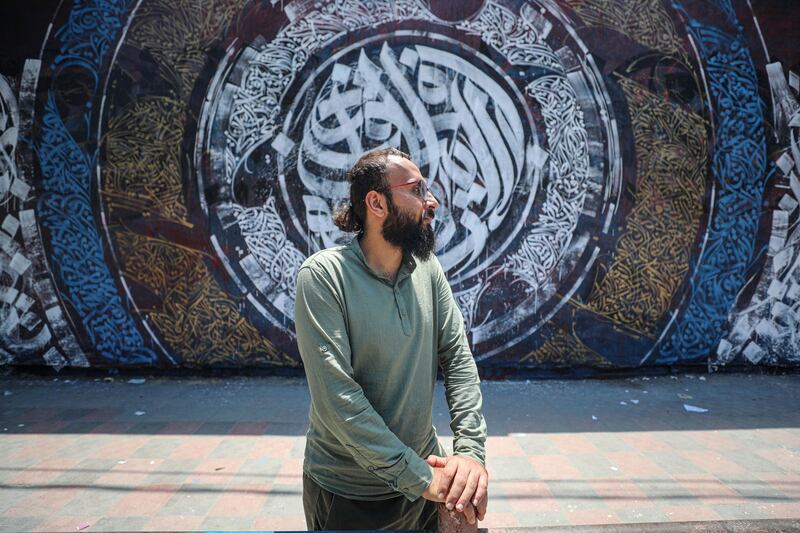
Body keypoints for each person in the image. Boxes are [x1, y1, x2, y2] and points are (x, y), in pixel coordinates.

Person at [294, 147, 489, 530]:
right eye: (417, 191)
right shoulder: (322, 277)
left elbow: (458, 359)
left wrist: (469, 453)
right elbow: (339, 401)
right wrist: (420, 477)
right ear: (376, 203)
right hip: (348, 496)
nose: (431, 202)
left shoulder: (427, 269)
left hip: (425, 487)